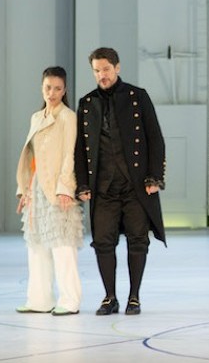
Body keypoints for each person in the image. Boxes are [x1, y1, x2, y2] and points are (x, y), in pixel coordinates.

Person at [75, 47, 167, 315]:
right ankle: (110, 297)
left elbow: (155, 138)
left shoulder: (137, 97)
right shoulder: (87, 103)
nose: (101, 75)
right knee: (103, 241)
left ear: (117, 67)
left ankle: (134, 297)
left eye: (105, 69)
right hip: (103, 187)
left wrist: (155, 177)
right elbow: (81, 148)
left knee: (138, 240)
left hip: (136, 185)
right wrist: (82, 183)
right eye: (96, 70)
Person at [15, 66, 84, 316]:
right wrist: (24, 190)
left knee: (63, 245)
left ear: (64, 90)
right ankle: (39, 299)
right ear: (41, 87)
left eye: (57, 88)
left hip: (58, 189)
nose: (52, 93)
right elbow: (30, 157)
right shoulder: (36, 117)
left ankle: (70, 300)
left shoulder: (68, 117)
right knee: (37, 246)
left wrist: (65, 188)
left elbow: (70, 155)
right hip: (36, 189)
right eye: (47, 88)